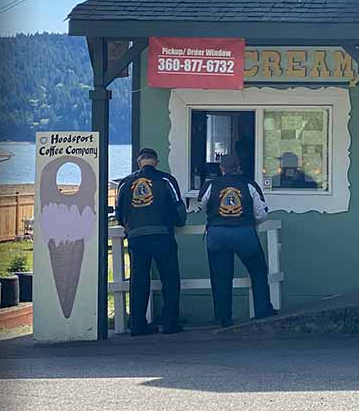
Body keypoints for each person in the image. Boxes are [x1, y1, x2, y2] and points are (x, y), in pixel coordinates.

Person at [199, 139, 277, 326]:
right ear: (238, 167)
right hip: (244, 233)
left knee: (221, 277)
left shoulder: (211, 185)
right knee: (258, 271)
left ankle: (223, 318)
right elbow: (261, 213)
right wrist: (249, 222)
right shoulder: (249, 185)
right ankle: (262, 310)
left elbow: (202, 205)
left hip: (217, 235)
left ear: (221, 168)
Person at [115, 147, 186, 335]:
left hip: (136, 236)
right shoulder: (166, 180)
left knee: (138, 279)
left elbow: (119, 214)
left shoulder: (125, 183)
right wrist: (178, 222)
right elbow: (179, 209)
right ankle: (170, 323)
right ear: (156, 161)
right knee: (170, 278)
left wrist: (130, 225)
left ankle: (137, 324)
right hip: (162, 234)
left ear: (139, 162)